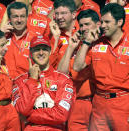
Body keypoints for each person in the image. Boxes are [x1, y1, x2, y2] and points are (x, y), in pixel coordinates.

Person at [73, 3, 129, 131]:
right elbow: (77, 66)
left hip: (123, 102)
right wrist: (87, 42)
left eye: (107, 22)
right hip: (99, 102)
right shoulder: (96, 43)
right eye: (102, 22)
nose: (103, 26)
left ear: (119, 22)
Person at [12, 35, 76, 131]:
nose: (41, 53)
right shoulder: (19, 81)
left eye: (44, 49)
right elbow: (23, 109)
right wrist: (32, 80)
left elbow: (61, 115)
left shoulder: (64, 79)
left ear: (50, 52)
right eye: (37, 49)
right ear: (30, 53)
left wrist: (29, 116)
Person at [57, 9, 101, 131]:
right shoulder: (77, 44)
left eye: (87, 24)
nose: (83, 28)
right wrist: (70, 48)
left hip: (92, 102)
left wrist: (87, 43)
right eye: (81, 25)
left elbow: (78, 67)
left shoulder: (100, 45)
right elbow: (60, 74)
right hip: (74, 102)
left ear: (98, 25)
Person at [49, 0, 77, 68]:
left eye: (63, 13)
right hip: (58, 77)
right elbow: (48, 65)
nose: (59, 17)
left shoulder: (82, 30)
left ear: (73, 14)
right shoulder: (52, 34)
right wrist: (55, 39)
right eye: (57, 14)